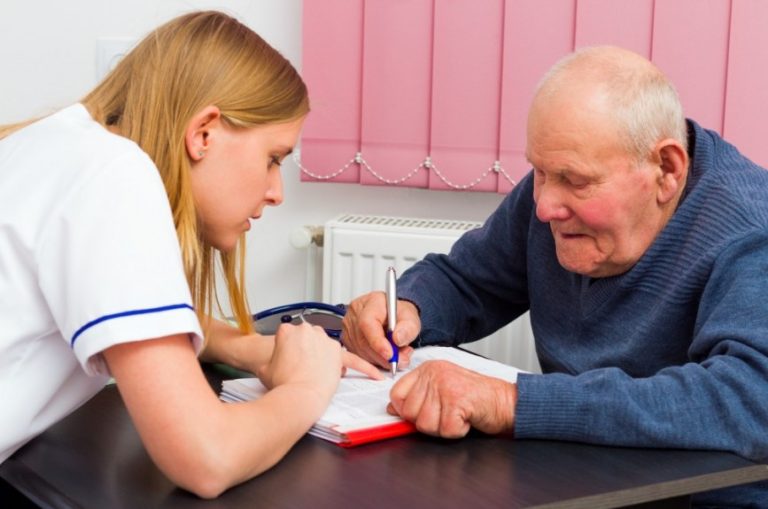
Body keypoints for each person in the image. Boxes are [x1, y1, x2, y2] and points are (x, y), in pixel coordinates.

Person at [341, 46, 768, 507]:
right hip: (579, 478)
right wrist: (408, 307)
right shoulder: (556, 186)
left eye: (575, 181)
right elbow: (469, 281)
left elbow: (751, 400)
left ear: (666, 169)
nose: (545, 207)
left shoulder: (750, 228)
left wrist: (510, 402)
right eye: (539, 172)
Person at [0, 11, 381, 499]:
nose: (276, 192)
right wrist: (307, 385)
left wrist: (246, 348)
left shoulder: (57, 144)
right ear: (204, 133)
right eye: (272, 159)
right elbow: (206, 458)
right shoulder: (114, 176)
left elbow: (129, 313)